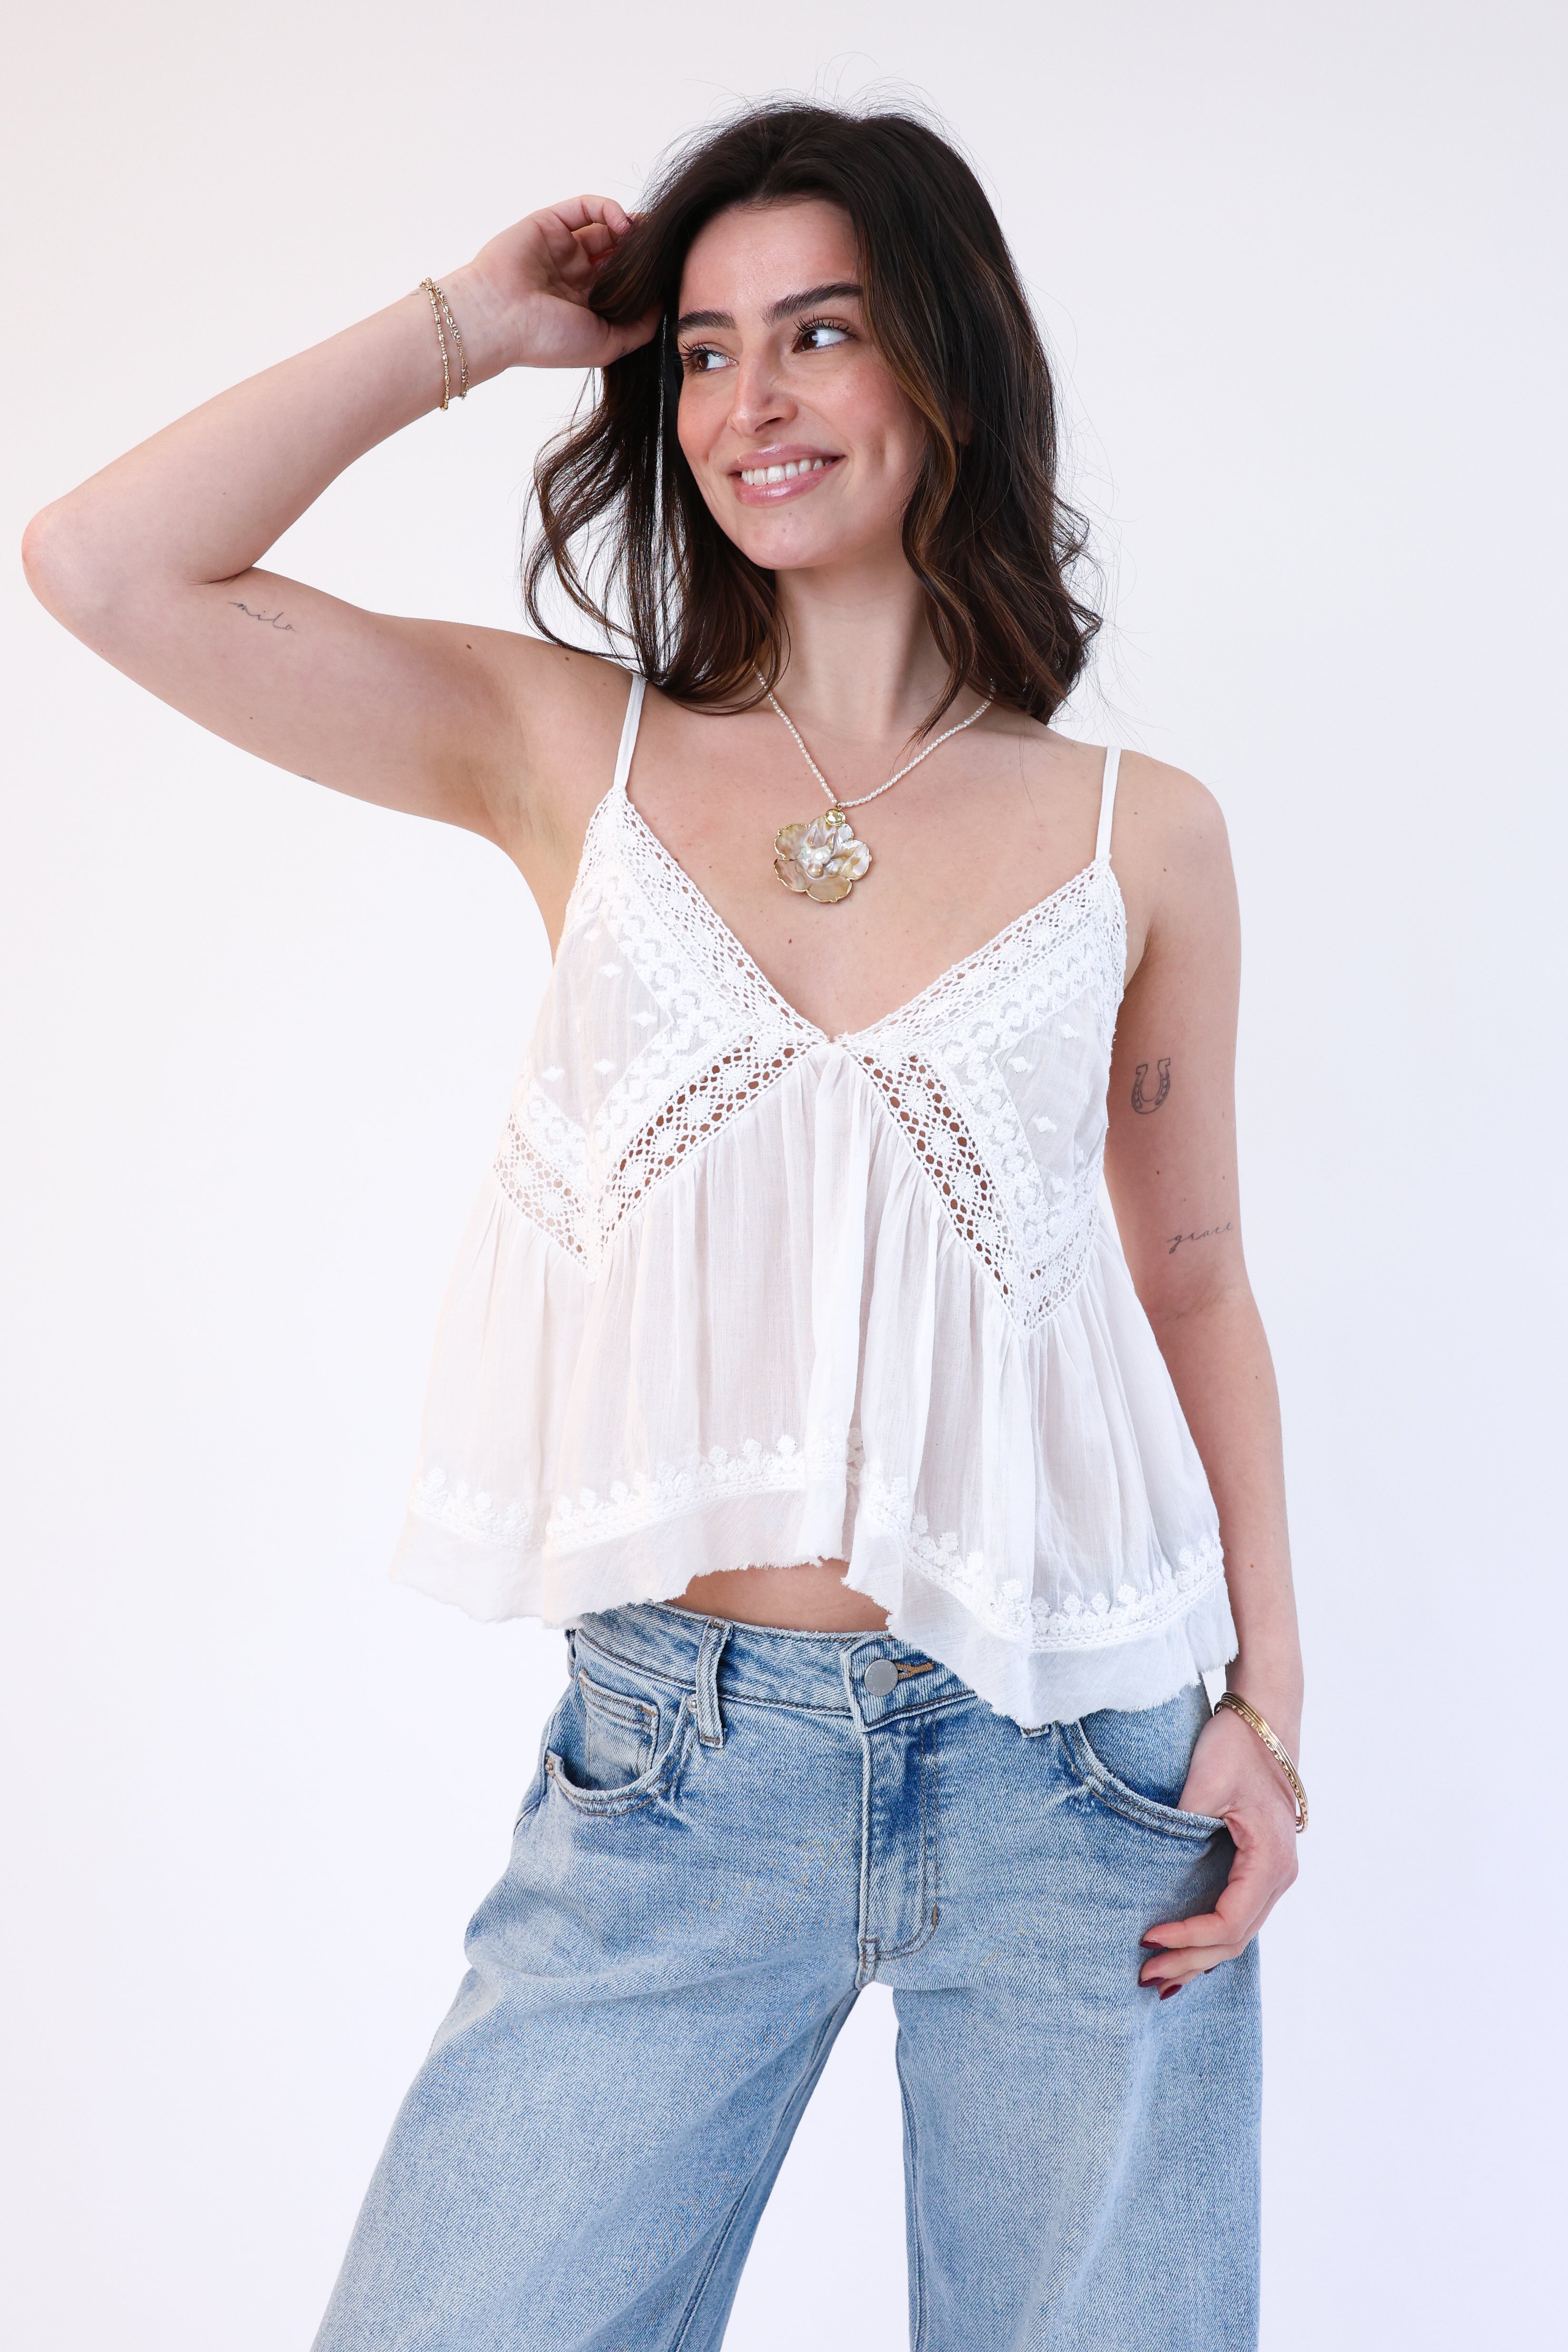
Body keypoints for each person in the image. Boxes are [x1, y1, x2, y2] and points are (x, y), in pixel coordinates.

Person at [24, 98, 1304, 2352]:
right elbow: (106, 566)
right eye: (702, 350)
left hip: (1077, 1760)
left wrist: (1263, 1717)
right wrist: (470, 322)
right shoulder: (567, 754)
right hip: (680, 1763)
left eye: (814, 333)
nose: (747, 402)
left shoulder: (1139, 832)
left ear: (940, 363)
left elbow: (1188, 1275)